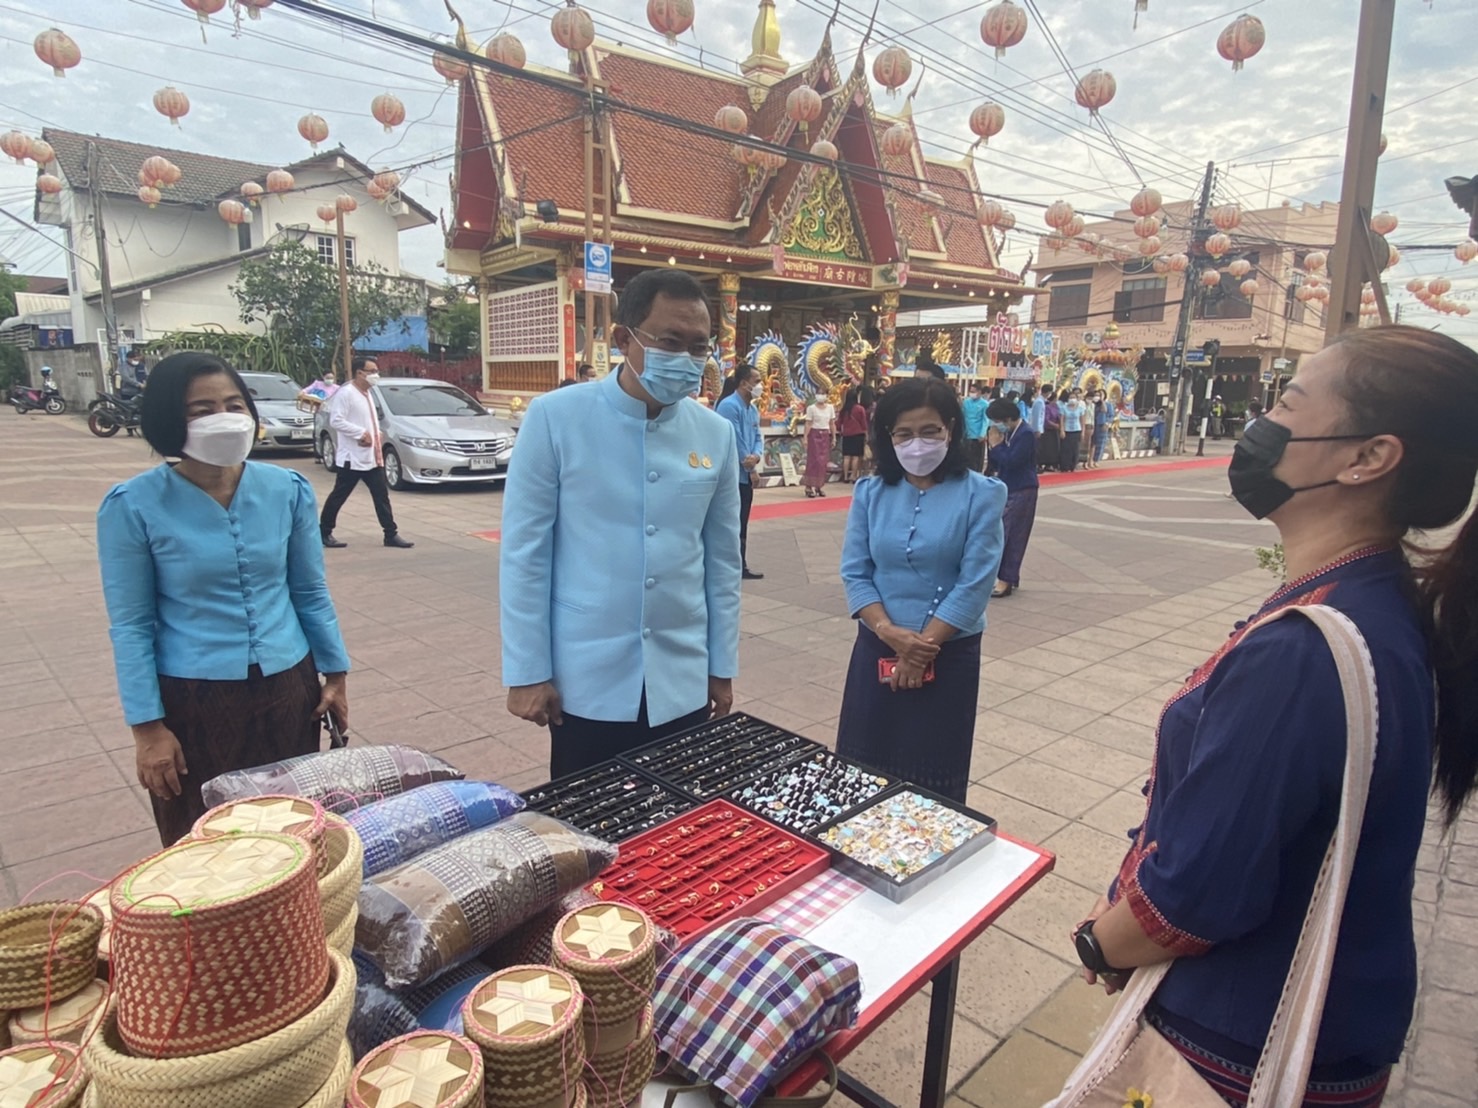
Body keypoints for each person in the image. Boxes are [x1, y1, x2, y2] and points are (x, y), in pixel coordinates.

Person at [1067, 325, 1478, 1107]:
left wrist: (1099, 939)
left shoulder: (1301, 653)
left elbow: (1193, 898)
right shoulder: (1372, 601)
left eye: (1288, 402)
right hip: (1335, 1022)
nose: (1264, 424)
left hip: (1239, 1041)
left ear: (1367, 458)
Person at [97, 352, 351, 846]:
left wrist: (336, 675)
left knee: (292, 832)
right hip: (194, 702)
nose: (225, 418)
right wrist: (147, 730)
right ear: (170, 419)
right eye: (202, 409)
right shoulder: (132, 507)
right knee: (205, 840)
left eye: (235, 404)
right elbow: (131, 625)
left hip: (287, 689)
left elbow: (309, 591)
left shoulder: (288, 490)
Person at [499, 268, 742, 777]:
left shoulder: (715, 433)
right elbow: (525, 555)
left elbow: (722, 565)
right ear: (622, 339)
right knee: (587, 826)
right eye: (670, 341)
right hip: (586, 681)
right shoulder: (555, 418)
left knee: (681, 833)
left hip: (682, 677)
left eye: (699, 346)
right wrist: (526, 671)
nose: (686, 359)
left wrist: (721, 666)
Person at [836, 376, 1006, 801]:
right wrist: (891, 635)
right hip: (878, 644)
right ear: (888, 436)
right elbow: (855, 571)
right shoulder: (870, 493)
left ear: (950, 428)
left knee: (932, 772)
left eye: (930, 431)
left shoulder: (983, 495)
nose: (918, 443)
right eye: (904, 433)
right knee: (865, 767)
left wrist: (922, 647)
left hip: (949, 652)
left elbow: (976, 581)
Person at [319, 357, 414, 550]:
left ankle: (390, 534)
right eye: (371, 371)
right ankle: (324, 531)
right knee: (339, 495)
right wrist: (361, 433)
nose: (375, 375)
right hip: (352, 458)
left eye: (376, 371)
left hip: (371, 457)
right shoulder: (346, 393)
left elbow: (367, 419)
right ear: (359, 372)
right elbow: (336, 420)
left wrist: (374, 433)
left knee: (381, 496)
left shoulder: (368, 393)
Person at [984, 397, 1037, 599]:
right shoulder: (1008, 433)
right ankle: (1008, 577)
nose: (994, 425)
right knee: (1005, 532)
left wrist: (996, 446)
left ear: (1006, 418)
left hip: (1022, 488)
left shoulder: (1025, 434)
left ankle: (1005, 580)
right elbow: (997, 463)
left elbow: (1012, 461)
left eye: (996, 420)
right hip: (1007, 487)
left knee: (1011, 534)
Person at [716, 363, 765, 580]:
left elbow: (757, 437)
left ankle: (740, 564)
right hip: (732, 475)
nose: (760, 386)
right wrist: (750, 465)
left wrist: (757, 455)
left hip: (746, 474)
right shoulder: (729, 406)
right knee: (728, 522)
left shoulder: (752, 409)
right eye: (757, 382)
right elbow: (734, 438)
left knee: (742, 521)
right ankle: (725, 566)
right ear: (744, 383)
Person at [802, 390, 836, 498]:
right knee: (813, 461)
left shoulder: (830, 408)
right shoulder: (811, 408)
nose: (821, 396)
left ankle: (819, 486)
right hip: (814, 434)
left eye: (823, 393)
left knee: (822, 462)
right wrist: (805, 438)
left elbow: (832, 423)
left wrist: (834, 437)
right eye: (819, 393)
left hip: (825, 435)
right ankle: (808, 486)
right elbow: (808, 423)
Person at [837, 385, 870, 483]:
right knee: (856, 457)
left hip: (846, 435)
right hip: (858, 435)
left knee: (847, 456)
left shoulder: (844, 410)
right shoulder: (860, 409)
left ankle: (846, 476)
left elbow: (839, 423)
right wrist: (866, 434)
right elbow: (864, 423)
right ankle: (853, 476)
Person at [962, 381, 989, 473]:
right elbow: (963, 416)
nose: (972, 393)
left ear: (980, 392)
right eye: (971, 391)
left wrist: (982, 433)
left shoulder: (985, 404)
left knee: (977, 460)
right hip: (966, 434)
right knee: (967, 458)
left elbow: (985, 420)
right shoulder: (966, 402)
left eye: (974, 391)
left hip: (978, 436)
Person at [1058, 387, 1085, 473]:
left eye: (1074, 398)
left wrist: (1082, 432)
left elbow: (1082, 421)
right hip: (1067, 430)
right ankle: (1065, 466)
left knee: (1075, 449)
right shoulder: (1064, 408)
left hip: (1076, 430)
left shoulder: (1080, 408)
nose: (1072, 399)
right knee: (1066, 449)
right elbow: (1062, 420)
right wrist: (1062, 430)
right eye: (1070, 398)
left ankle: (1073, 466)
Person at [1089, 389, 1111, 469]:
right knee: (1091, 443)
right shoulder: (1092, 404)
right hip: (1091, 424)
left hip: (1101, 425)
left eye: (1100, 395)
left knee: (1099, 443)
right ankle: (1089, 460)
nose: (1098, 397)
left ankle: (1096, 460)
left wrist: (1107, 423)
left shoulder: (1107, 405)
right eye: (1097, 395)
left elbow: (1109, 415)